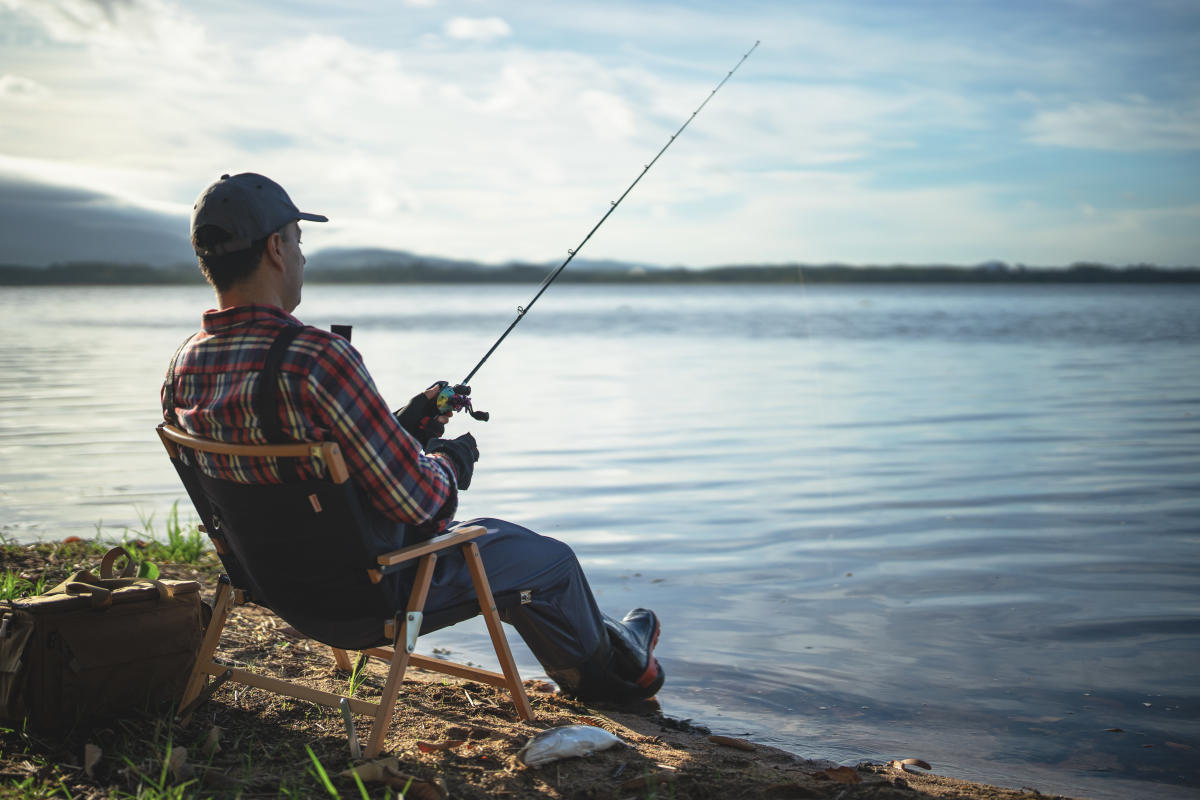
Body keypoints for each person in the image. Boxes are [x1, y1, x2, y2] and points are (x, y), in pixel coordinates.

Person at [162, 172, 662, 703]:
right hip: (368, 599)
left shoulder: (182, 367)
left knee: (513, 555)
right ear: (276, 249)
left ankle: (617, 644)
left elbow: (299, 463)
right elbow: (421, 500)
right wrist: (449, 460)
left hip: (275, 590)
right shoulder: (316, 357)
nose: (303, 258)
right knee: (548, 560)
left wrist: (403, 428)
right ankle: (613, 677)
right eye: (299, 242)